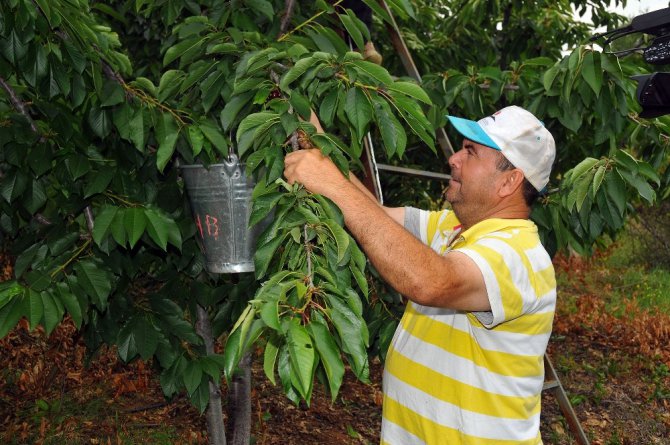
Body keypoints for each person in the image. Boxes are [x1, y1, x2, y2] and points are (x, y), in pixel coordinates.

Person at [283, 105, 557, 445]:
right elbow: (374, 215)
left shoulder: (519, 255)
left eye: (471, 152)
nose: (454, 159)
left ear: (509, 181)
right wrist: (319, 143)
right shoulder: (452, 227)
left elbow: (432, 282)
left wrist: (332, 184)